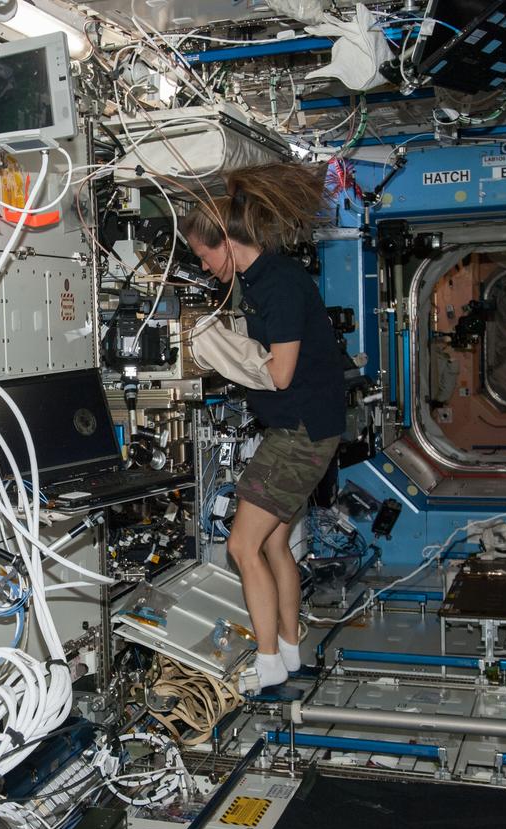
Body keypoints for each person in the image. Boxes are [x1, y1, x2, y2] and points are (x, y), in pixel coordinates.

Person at [179, 162, 346, 691]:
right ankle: (290, 653)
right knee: (274, 545)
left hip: (300, 432)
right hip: (305, 428)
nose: (204, 268)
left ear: (226, 240)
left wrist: (222, 352)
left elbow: (279, 372)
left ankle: (268, 662)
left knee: (240, 547)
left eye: (204, 255)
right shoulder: (262, 280)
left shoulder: (276, 284)